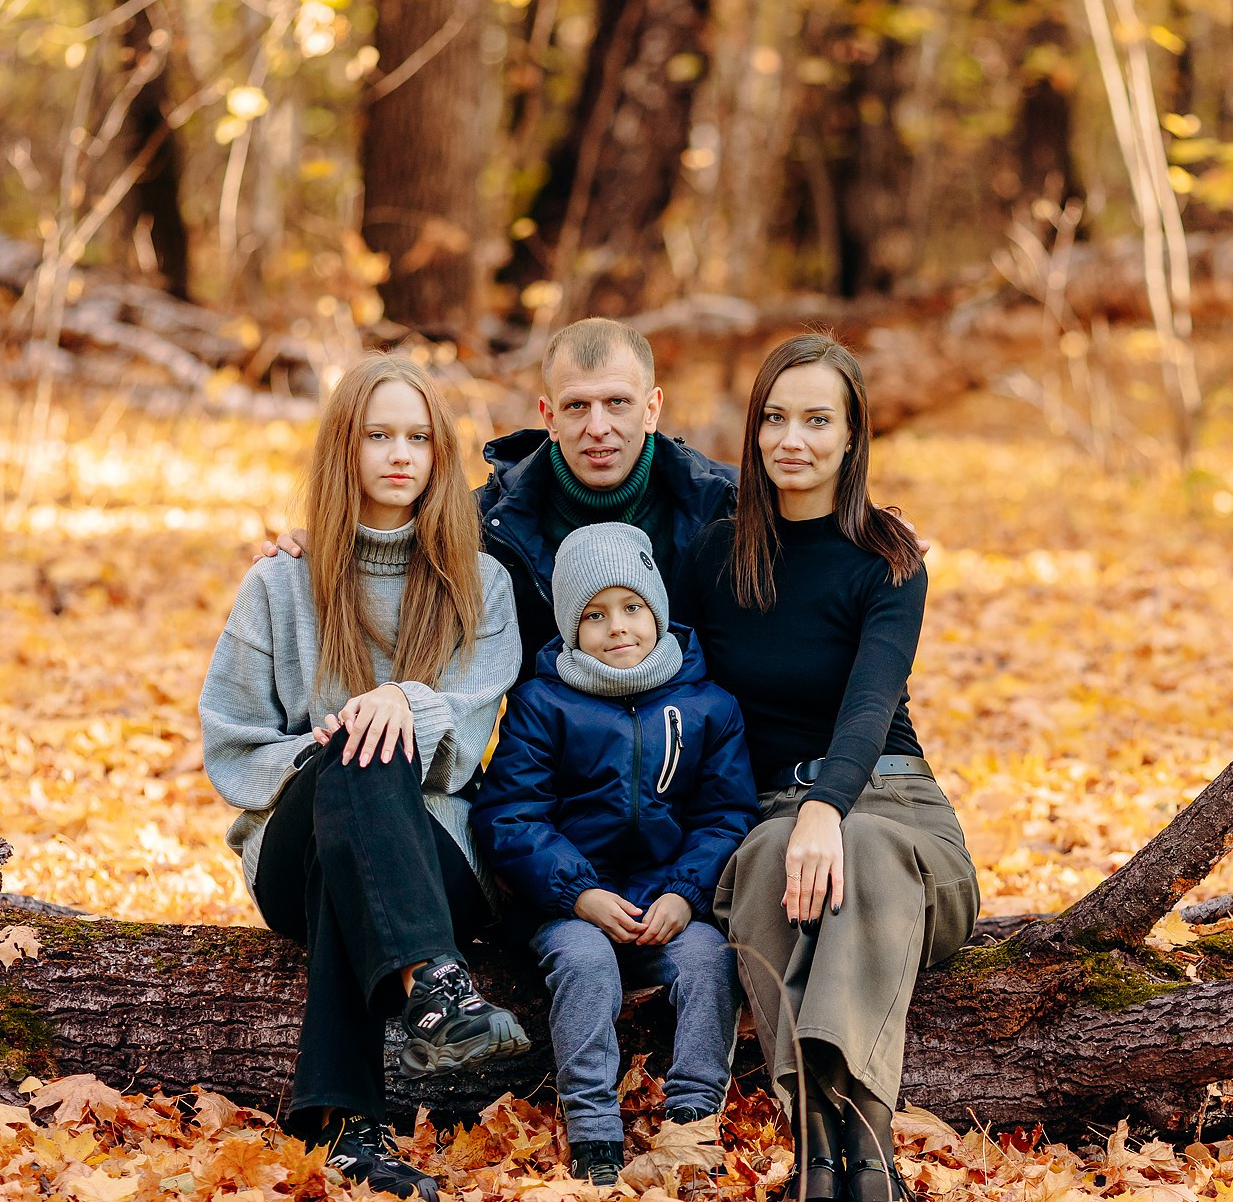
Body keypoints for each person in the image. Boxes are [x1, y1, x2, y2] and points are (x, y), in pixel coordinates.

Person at [199, 355, 527, 1200]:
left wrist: (398, 705)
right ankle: (437, 988)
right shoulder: (281, 581)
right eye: (378, 435)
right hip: (289, 847)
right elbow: (232, 745)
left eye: (418, 438)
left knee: (372, 748)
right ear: (344, 448)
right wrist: (326, 750)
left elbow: (470, 736)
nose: (399, 455)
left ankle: (348, 1130)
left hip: (437, 855)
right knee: (353, 753)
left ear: (439, 456)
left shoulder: (480, 585)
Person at [678, 334, 980, 1202]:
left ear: (853, 438)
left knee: (868, 852)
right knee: (772, 860)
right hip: (776, 815)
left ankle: (867, 1148)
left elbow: (868, 705)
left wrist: (826, 808)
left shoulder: (889, 557)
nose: (792, 440)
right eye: (774, 418)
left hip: (898, 808)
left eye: (818, 420)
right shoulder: (714, 555)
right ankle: (819, 1156)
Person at [471, 523, 756, 1186]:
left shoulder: (708, 706)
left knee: (710, 961)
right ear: (572, 628)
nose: (617, 627)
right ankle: (595, 1131)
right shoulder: (543, 704)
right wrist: (578, 893)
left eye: (632, 608)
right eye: (594, 615)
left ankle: (691, 1118)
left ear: (657, 610)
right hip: (570, 905)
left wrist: (684, 894)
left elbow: (726, 816)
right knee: (586, 961)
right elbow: (510, 816)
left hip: (667, 904)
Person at [261, 319, 740, 683]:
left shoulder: (726, 506)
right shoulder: (489, 523)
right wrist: (328, 544)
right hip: (549, 770)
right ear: (548, 416)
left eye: (617, 402)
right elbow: (394, 548)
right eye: (576, 406)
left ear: (651, 408)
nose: (598, 427)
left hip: (698, 763)